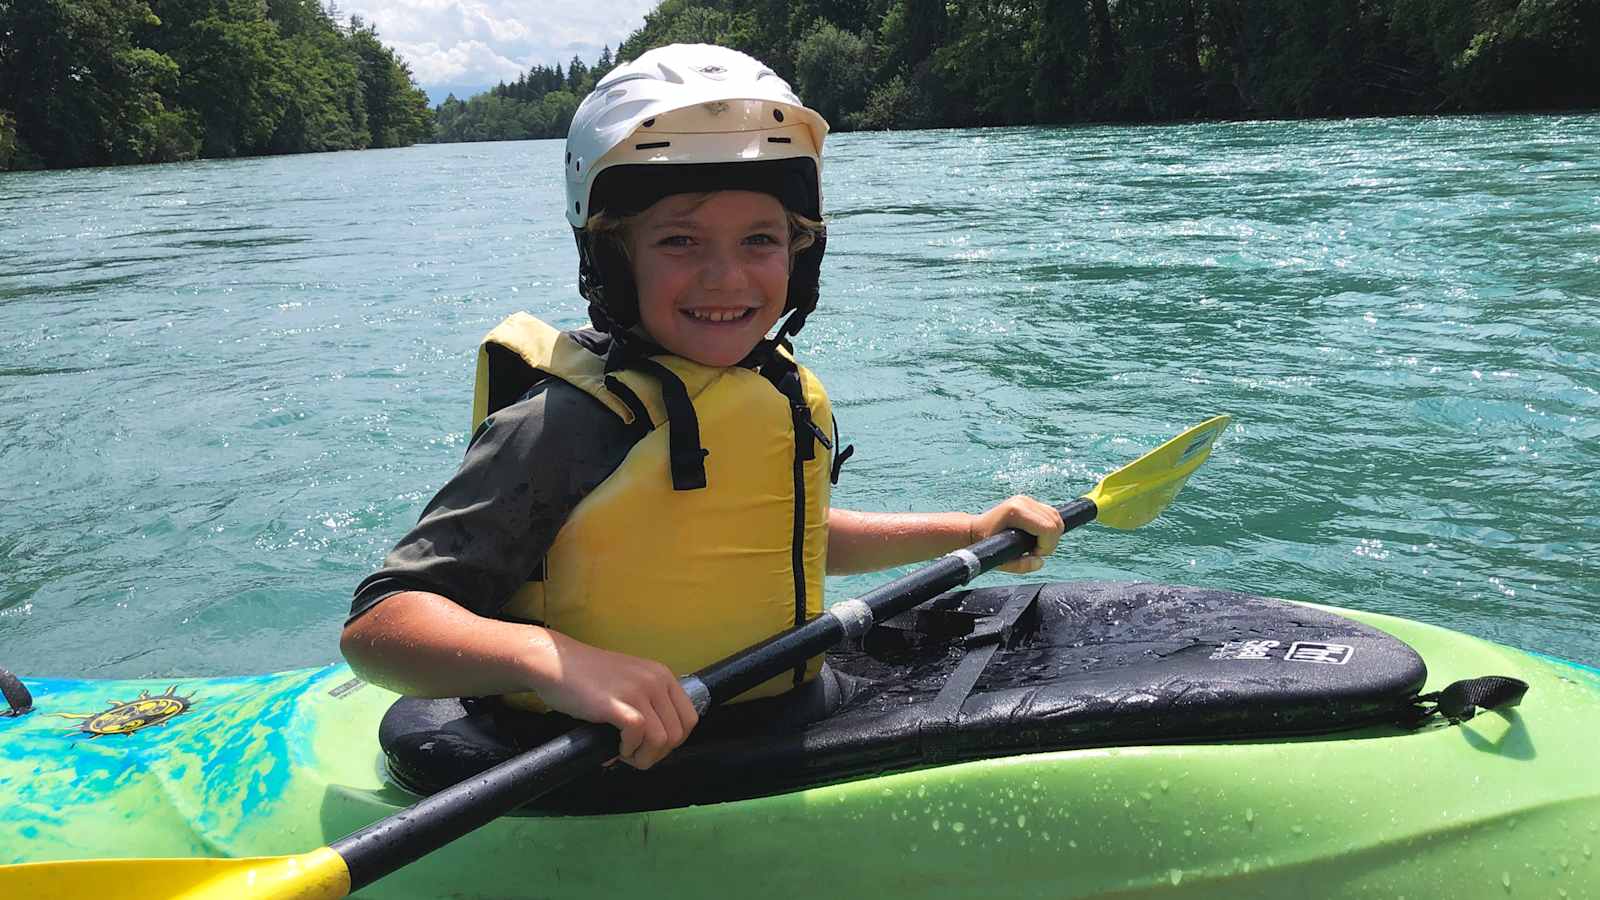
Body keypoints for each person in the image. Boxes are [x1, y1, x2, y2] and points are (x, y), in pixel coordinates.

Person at [340, 43, 1064, 774]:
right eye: (680, 241)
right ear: (615, 258)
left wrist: (968, 530)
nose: (726, 278)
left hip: (783, 718)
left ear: (799, 253)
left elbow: (784, 538)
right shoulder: (565, 424)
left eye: (760, 240)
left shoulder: (775, 385)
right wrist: (550, 660)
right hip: (596, 762)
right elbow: (380, 622)